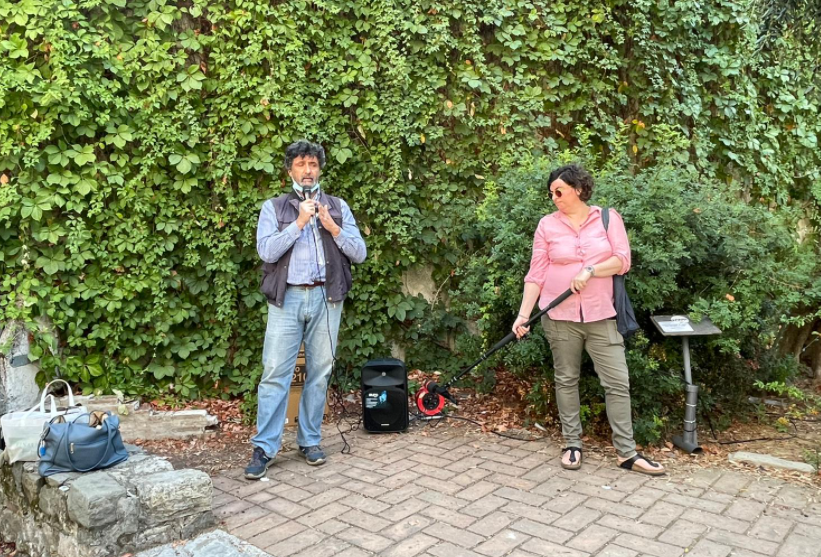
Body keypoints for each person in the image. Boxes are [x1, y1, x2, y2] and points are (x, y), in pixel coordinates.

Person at [511, 164, 664, 476]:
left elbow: (622, 260)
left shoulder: (607, 218)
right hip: (559, 317)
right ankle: (572, 444)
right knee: (566, 379)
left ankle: (627, 453)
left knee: (617, 382)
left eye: (559, 191)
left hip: (601, 315)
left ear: (578, 189)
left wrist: (591, 270)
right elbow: (536, 273)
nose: (554, 198)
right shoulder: (547, 225)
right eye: (551, 193)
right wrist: (524, 315)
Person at [245, 140, 367, 480]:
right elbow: (267, 251)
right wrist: (298, 223)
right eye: (301, 164)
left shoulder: (338, 207)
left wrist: (333, 227)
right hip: (287, 300)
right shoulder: (274, 208)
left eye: (313, 164)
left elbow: (359, 253)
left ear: (320, 169)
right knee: (274, 373)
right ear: (290, 171)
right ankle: (265, 447)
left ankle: (310, 440)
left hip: (327, 299)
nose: (308, 170)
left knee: (320, 372)